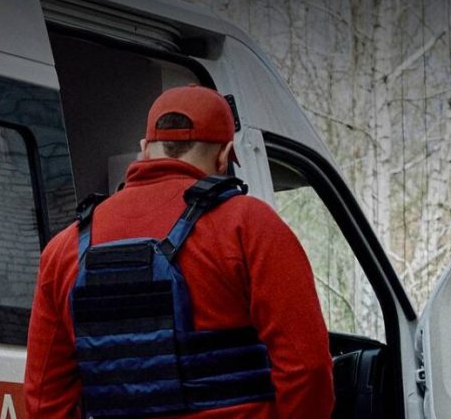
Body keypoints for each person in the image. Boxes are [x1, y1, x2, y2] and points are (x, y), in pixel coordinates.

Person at [25, 84, 334, 418]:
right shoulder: (249, 225)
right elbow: (308, 367)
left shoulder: (64, 249)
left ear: (144, 149)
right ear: (224, 155)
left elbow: (43, 400)